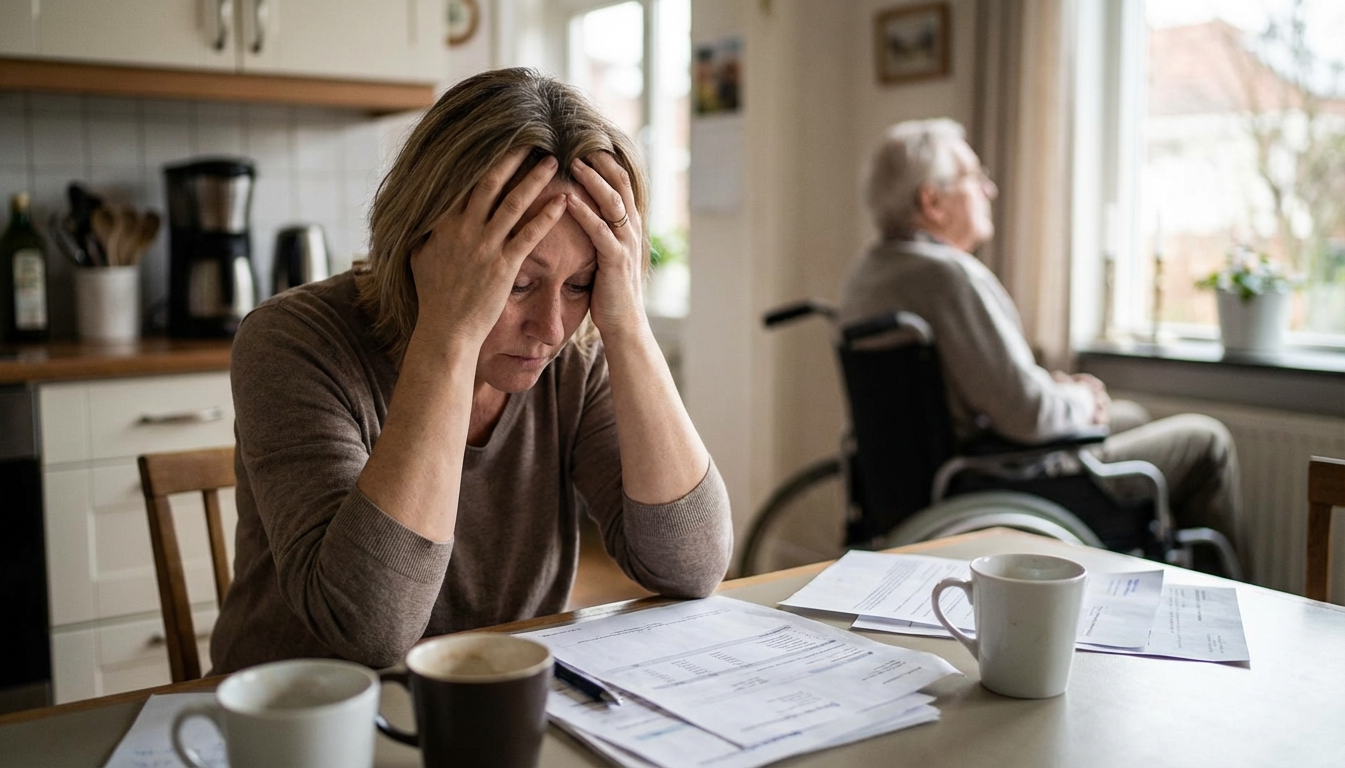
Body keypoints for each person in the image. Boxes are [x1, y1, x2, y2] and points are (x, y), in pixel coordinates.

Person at [209, 68, 733, 674]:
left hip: (496, 696)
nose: (551, 329)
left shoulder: (577, 354)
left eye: (580, 284)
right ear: (425, 245)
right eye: (518, 282)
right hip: (305, 709)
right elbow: (371, 631)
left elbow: (691, 566)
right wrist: (449, 333)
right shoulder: (290, 341)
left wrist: (628, 323)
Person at [838, 118, 1241, 554]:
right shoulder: (946, 276)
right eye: (974, 177)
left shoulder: (866, 274)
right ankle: (1228, 589)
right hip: (993, 481)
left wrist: (1056, 393)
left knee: (1129, 417)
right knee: (1207, 440)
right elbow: (1026, 414)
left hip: (924, 478)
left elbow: (975, 392)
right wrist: (1082, 399)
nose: (989, 190)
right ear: (932, 202)